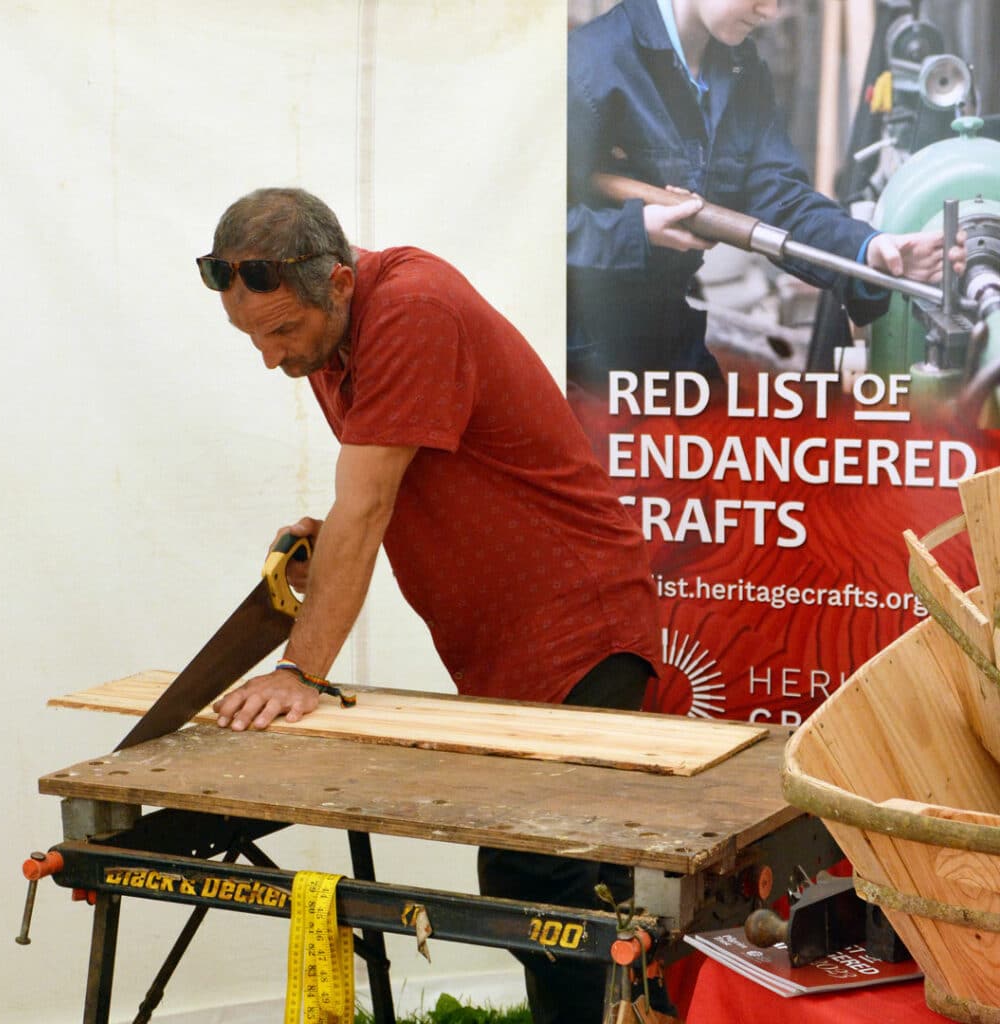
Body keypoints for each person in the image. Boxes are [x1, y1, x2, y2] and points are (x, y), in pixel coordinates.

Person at [197, 187, 666, 1024]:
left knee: (556, 884)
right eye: (252, 338)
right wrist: (327, 532)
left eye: (280, 332)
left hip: (580, 627)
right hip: (503, 647)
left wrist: (301, 669)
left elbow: (370, 503)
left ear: (338, 283)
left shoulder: (413, 310)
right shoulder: (332, 343)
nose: (271, 358)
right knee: (532, 881)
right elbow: (381, 488)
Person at [566, 0, 966, 388]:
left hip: (670, 343)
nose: (771, 11)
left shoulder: (740, 69)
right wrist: (637, 230)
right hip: (584, 358)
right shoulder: (587, 66)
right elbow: (523, 235)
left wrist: (870, 251)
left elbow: (782, 200)